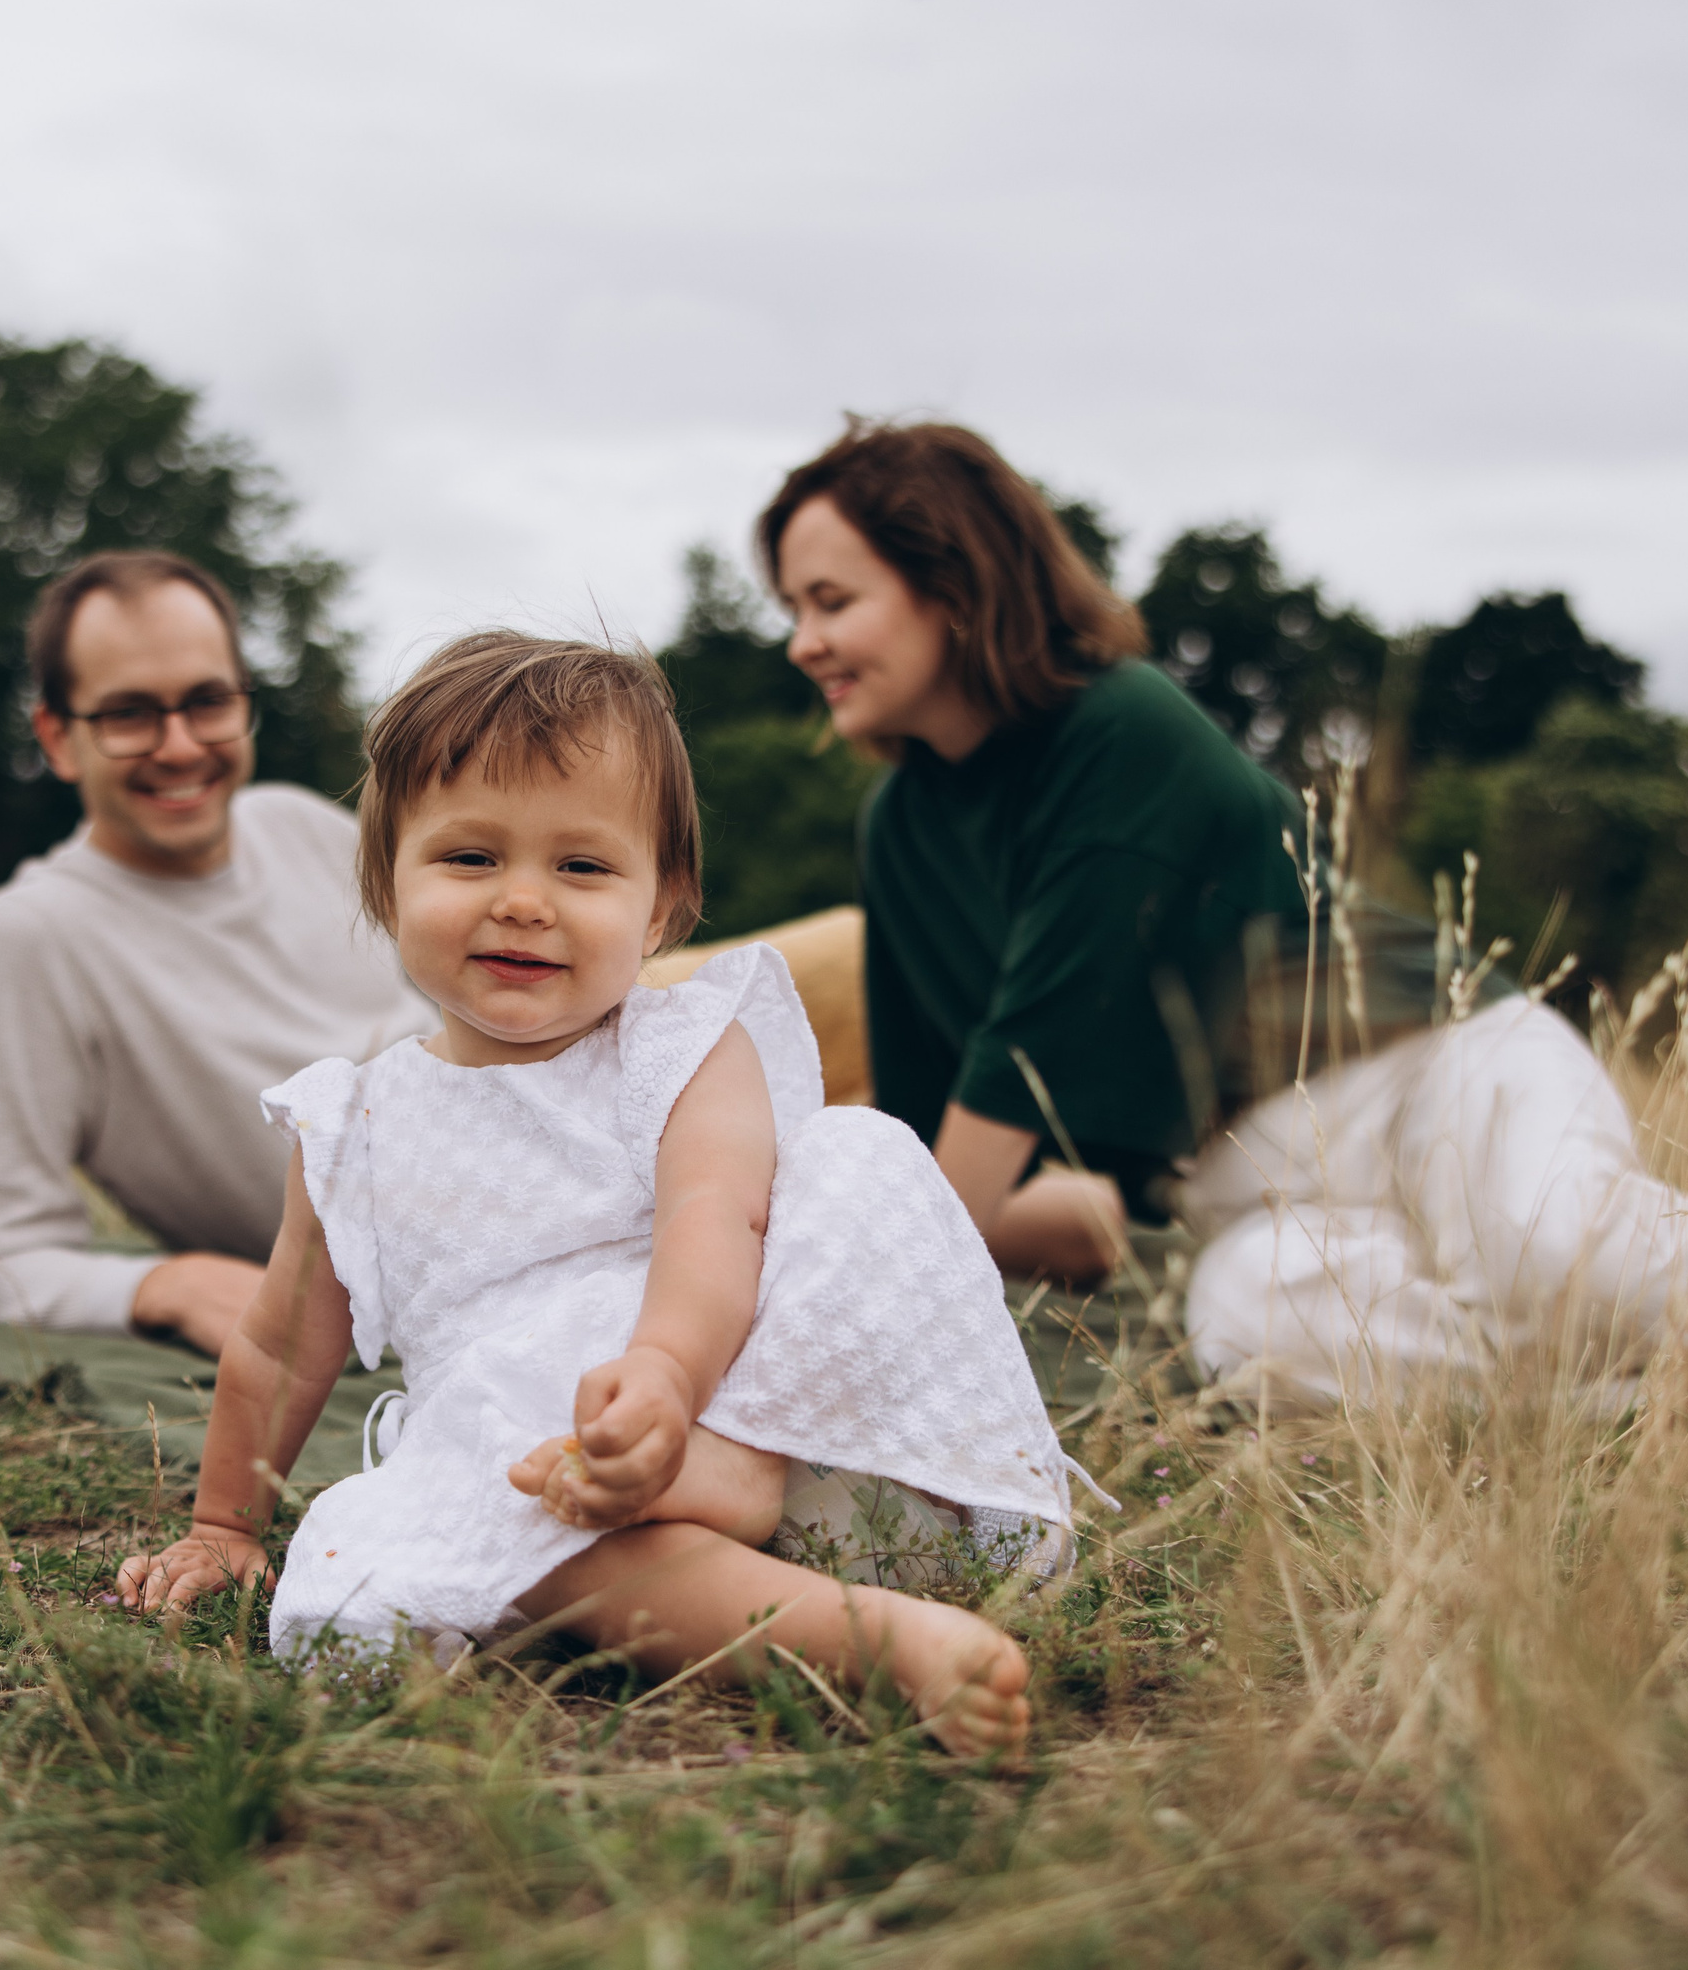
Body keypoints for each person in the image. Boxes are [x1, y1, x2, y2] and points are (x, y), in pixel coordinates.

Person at [757, 419, 1688, 1416]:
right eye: (793, 612)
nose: (804, 643)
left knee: (1544, 1249)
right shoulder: (899, 829)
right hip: (1244, 1191)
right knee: (1249, 1340)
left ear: (952, 585)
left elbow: (987, 1110)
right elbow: (931, 1157)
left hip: (1425, 1071)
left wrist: (844, 1276)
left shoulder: (1118, 730)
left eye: (831, 600)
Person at [114, 632, 1067, 1752]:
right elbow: (280, 1342)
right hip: (551, 1461)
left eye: (581, 868)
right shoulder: (357, 1120)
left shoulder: (680, 1046)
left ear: (661, 908)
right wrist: (224, 1523)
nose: (524, 902)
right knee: (517, 1538)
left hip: (781, 1423)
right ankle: (877, 1643)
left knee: (854, 1154)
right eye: (471, 857)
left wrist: (668, 1375)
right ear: (386, 881)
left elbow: (718, 1214)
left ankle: (729, 1469)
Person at [0, 551, 430, 1355]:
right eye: (129, 714)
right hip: (430, 1285)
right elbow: (2, 1260)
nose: (179, 746)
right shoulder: (30, 942)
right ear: (58, 738)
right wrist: (171, 1284)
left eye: (207, 702)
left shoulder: (306, 827)